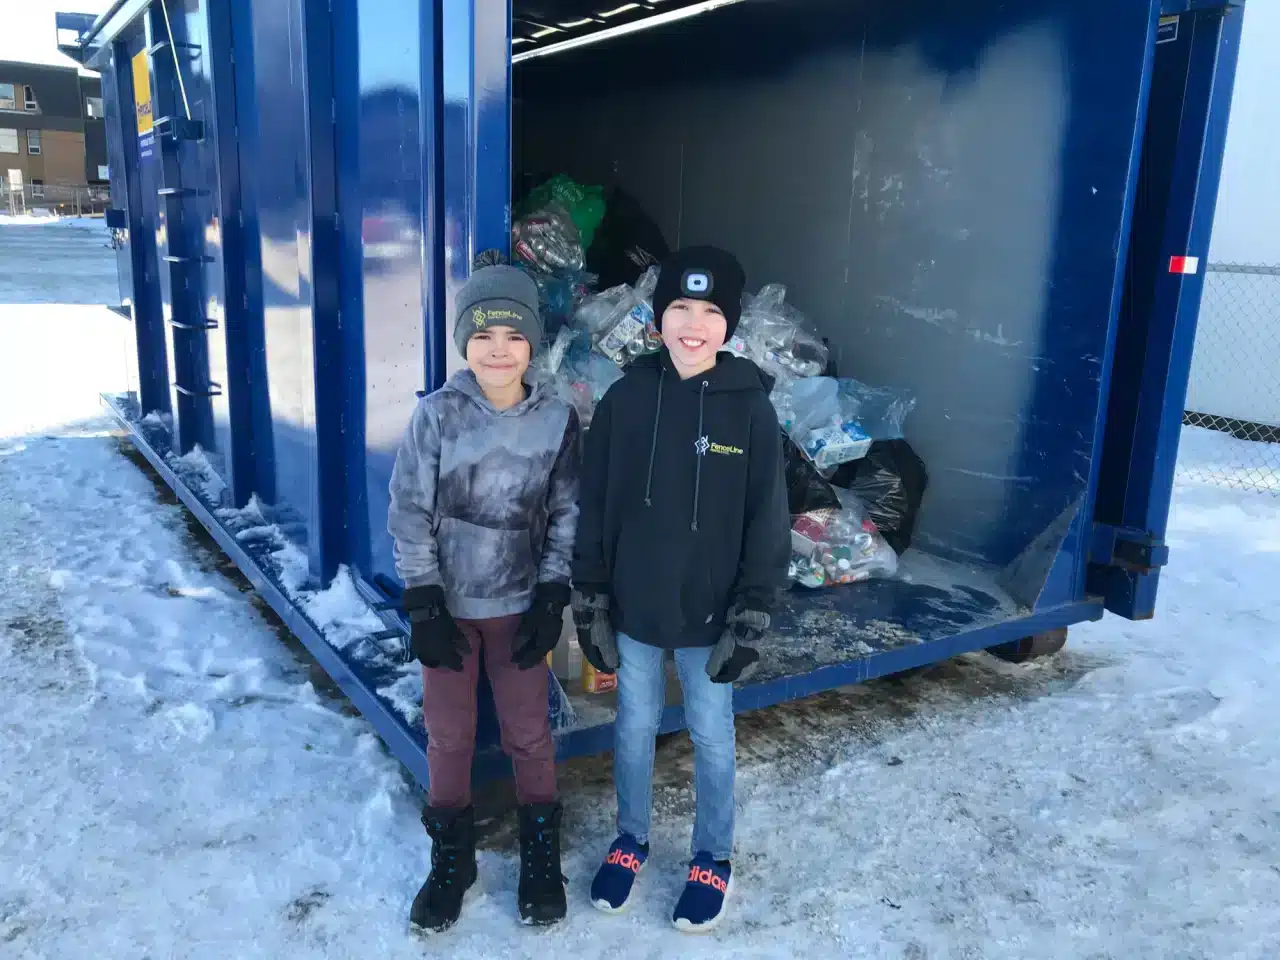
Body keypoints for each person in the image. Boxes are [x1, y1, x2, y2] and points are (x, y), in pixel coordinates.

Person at [572, 246, 790, 932]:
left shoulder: (751, 408)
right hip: (636, 608)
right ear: (657, 317)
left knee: (710, 734)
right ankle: (631, 838)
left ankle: (711, 857)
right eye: (678, 309)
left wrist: (753, 610)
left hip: (712, 613)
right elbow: (596, 502)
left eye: (709, 311)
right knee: (633, 728)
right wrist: (591, 595)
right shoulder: (626, 397)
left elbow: (768, 516)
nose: (693, 325)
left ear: (729, 324)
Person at [388, 264, 580, 932]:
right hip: (450, 614)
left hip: (520, 608)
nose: (498, 348)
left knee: (530, 734)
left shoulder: (556, 420)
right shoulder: (436, 415)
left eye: (513, 334)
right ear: (462, 344)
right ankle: (452, 862)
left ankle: (538, 858)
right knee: (449, 736)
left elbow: (567, 513)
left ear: (533, 343)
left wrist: (553, 594)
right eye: (482, 334)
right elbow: (410, 512)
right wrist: (423, 603)